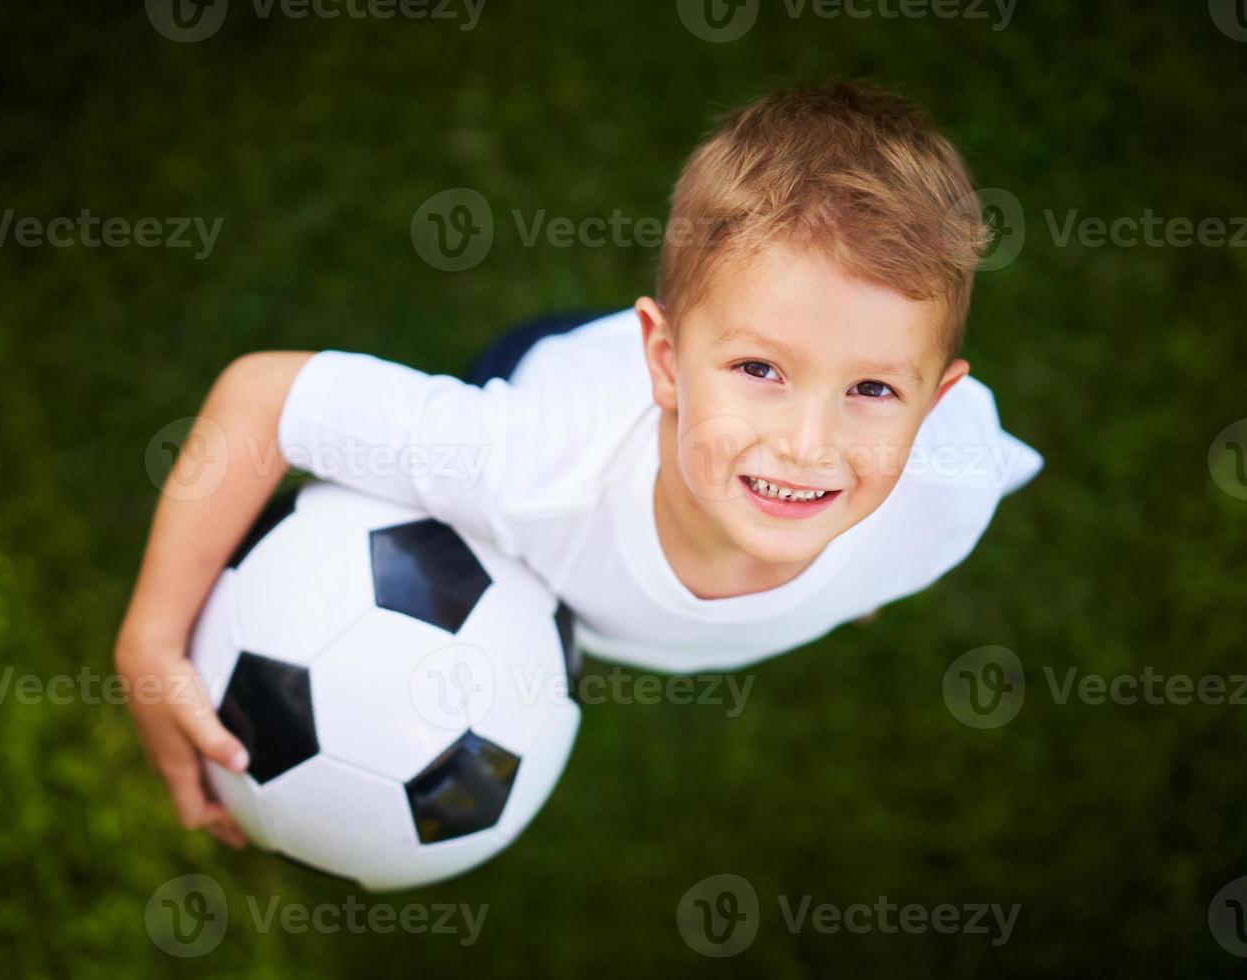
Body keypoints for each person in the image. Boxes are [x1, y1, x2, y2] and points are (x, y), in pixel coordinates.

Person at [114, 81, 1042, 847]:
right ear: (666, 361)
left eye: (873, 391)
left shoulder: (948, 487)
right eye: (760, 370)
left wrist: (861, 583)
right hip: (557, 403)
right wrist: (152, 639)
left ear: (939, 399)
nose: (808, 444)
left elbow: (899, 521)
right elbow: (267, 401)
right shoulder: (522, 465)